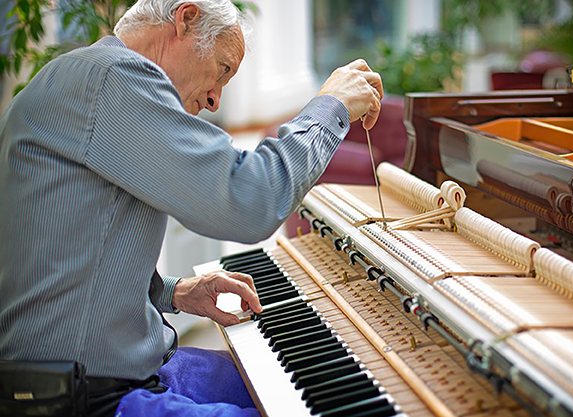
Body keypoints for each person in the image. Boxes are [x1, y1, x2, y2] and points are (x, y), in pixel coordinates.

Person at [0, 0, 382, 416]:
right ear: (185, 19)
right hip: (88, 399)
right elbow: (251, 201)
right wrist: (332, 107)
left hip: (119, 373)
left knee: (309, 382)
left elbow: (67, 250)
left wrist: (172, 291)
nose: (217, 99)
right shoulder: (113, 77)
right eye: (222, 69)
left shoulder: (79, 75)